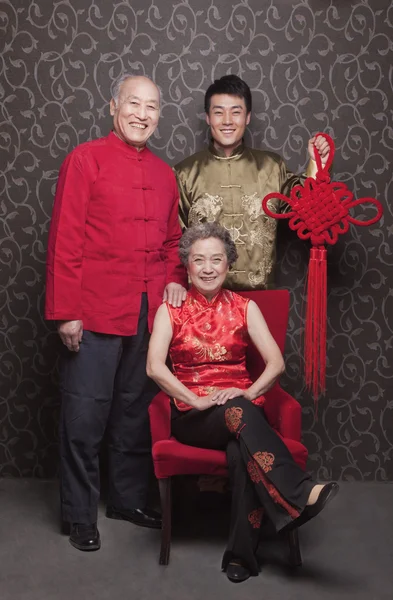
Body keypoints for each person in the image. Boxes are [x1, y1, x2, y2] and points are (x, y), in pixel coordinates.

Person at [146, 222, 339, 583]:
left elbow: (276, 363)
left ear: (228, 264)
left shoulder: (244, 307)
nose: (207, 267)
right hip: (193, 416)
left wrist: (248, 393)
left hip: (241, 408)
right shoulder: (169, 310)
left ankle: (241, 556)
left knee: (240, 452)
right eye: (198, 260)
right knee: (237, 416)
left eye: (216, 259)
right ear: (186, 265)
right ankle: (297, 493)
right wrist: (196, 400)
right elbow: (154, 367)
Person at [45, 74, 187, 551]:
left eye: (151, 106)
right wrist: (66, 312)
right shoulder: (85, 159)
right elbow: (66, 238)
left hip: (147, 315)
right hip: (93, 310)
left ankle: (126, 498)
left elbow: (172, 244)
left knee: (133, 413)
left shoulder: (166, 174)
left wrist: (173, 278)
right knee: (84, 417)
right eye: (133, 103)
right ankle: (80, 514)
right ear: (113, 107)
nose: (142, 114)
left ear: (158, 115)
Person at [174, 74, 330, 290]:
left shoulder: (272, 167)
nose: (227, 121)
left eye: (236, 112)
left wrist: (316, 164)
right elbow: (174, 241)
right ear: (208, 117)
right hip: (203, 300)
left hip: (261, 296)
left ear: (247, 117)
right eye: (218, 112)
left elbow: (308, 212)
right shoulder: (184, 173)